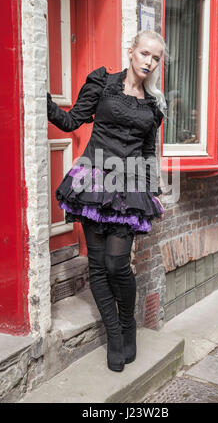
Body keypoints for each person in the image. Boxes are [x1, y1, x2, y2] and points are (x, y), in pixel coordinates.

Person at [47, 30, 166, 372]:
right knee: (97, 265)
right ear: (131, 52)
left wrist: (148, 190)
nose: (149, 61)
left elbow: (147, 151)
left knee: (118, 265)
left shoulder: (154, 104)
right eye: (145, 53)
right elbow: (72, 121)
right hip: (93, 182)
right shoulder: (102, 83)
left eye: (156, 58)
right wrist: (44, 104)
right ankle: (115, 336)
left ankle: (129, 325)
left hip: (128, 186)